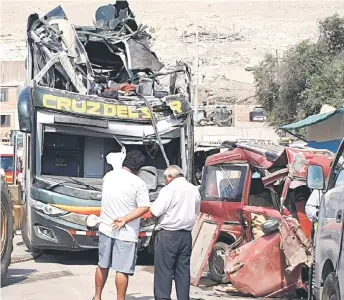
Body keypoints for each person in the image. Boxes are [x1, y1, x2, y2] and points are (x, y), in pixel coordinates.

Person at [93, 150, 150, 300]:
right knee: (122, 270)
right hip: (126, 232)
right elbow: (144, 207)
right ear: (139, 168)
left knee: (102, 265)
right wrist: (125, 219)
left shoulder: (109, 176)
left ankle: (97, 296)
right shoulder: (139, 183)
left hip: (106, 227)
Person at [151, 165, 201, 300]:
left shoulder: (169, 189)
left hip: (168, 234)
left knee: (164, 271)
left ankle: (162, 298)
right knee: (183, 271)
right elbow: (196, 212)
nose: (165, 181)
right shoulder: (193, 189)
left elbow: (155, 211)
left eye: (165, 178)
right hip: (185, 235)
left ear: (170, 177)